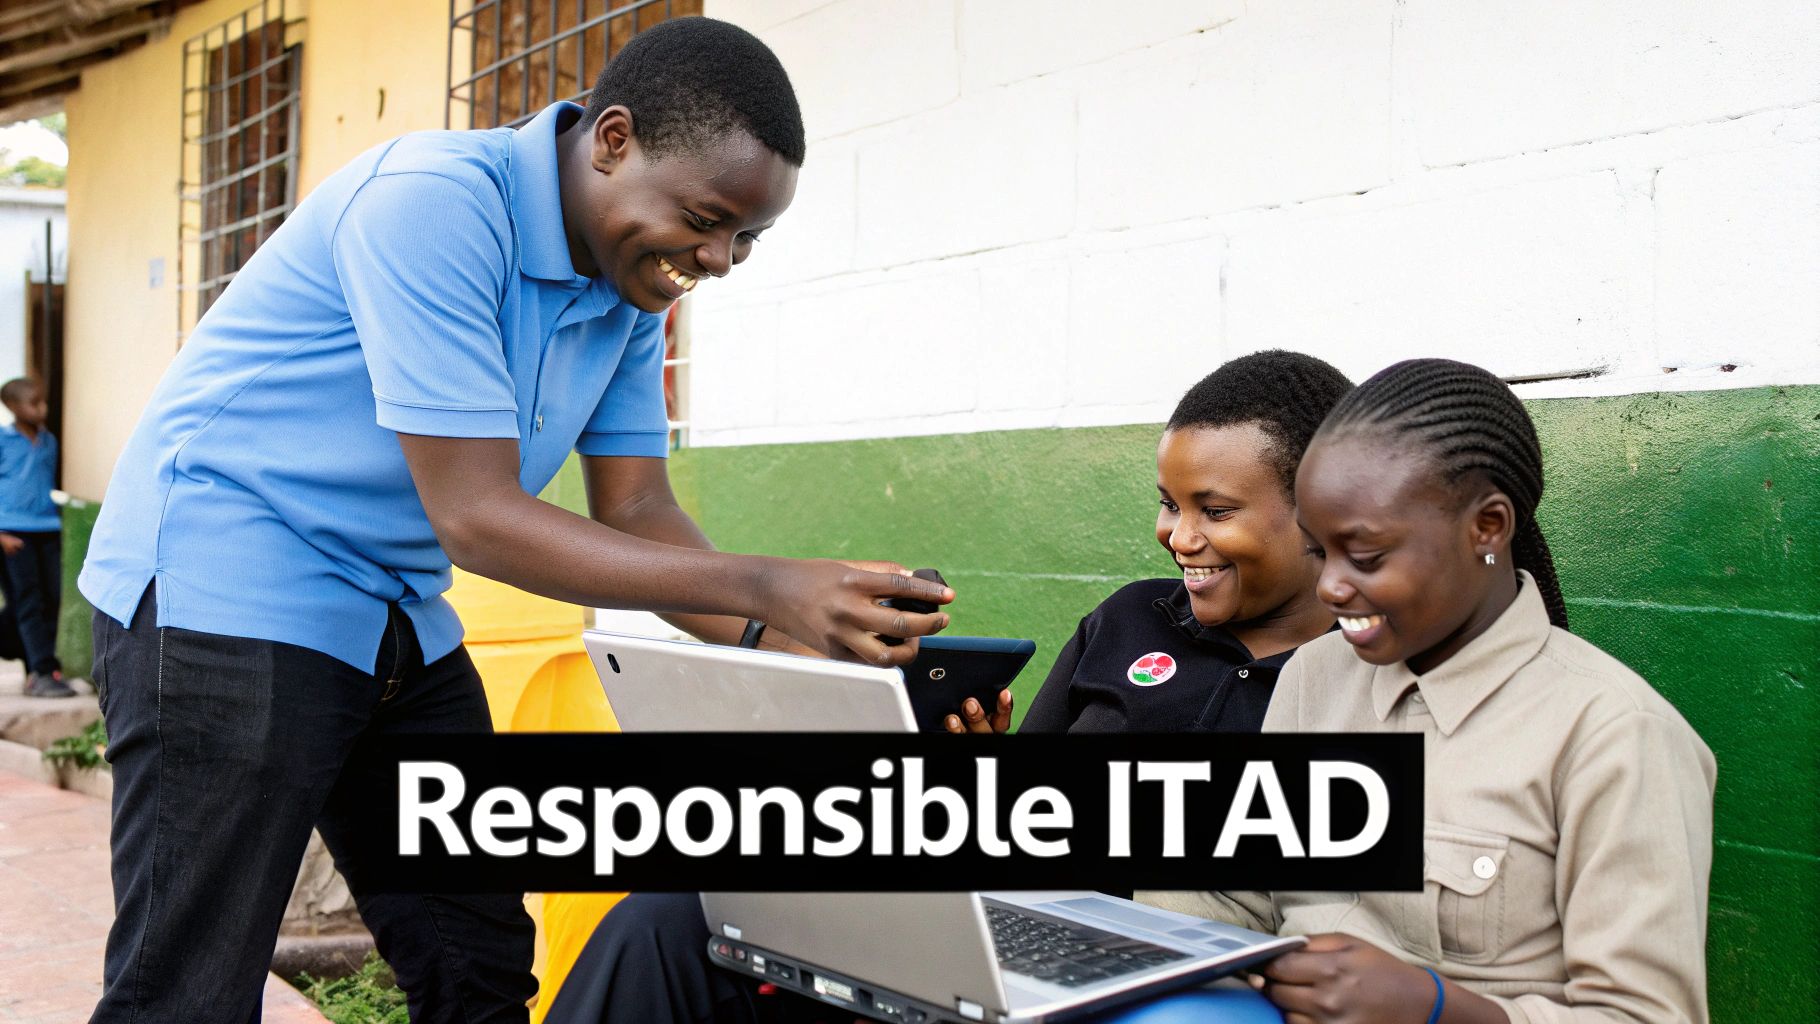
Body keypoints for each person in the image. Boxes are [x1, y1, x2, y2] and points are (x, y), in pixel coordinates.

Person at [77, 18, 951, 1023]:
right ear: (612, 141)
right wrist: (766, 586)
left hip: (395, 618)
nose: (717, 259)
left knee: (476, 959)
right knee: (187, 986)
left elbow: (638, 506)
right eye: (706, 219)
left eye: (745, 238)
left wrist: (803, 639)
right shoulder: (433, 204)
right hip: (226, 590)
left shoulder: (628, 291)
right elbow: (477, 516)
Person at [544, 351, 1354, 1024]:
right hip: (1013, 926)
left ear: (1317, 508)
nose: (1177, 537)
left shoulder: (1359, 676)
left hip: (1153, 981)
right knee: (671, 920)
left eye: (1212, 511)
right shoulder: (1132, 620)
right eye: (1168, 505)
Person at [1139, 358, 1715, 1024]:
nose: (1330, 587)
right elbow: (1231, 896)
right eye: (1322, 550)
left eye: (1368, 554)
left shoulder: (1615, 734)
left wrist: (1440, 1008)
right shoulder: (1314, 677)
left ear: (1488, 528)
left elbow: (1649, 1016)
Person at [0, 377, 73, 698]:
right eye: (34, 403)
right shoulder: (3, 441)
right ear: (13, 407)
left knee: (50, 600)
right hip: (12, 533)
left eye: (42, 401)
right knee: (28, 602)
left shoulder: (49, 441)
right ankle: (42, 672)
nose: (41, 408)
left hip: (47, 528)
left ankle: (32, 661)